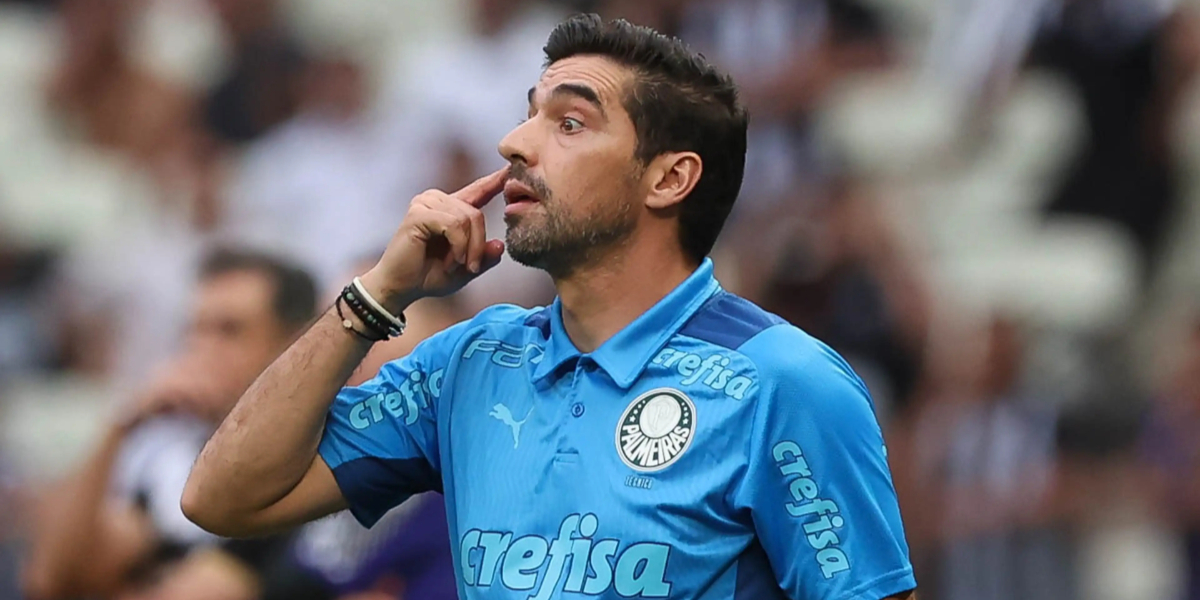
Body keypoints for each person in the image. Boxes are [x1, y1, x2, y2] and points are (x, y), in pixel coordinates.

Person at [183, 14, 917, 600]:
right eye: (529, 115)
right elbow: (223, 498)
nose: (513, 144)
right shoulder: (468, 364)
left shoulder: (783, 384)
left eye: (569, 124)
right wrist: (377, 295)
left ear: (668, 178)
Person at [22, 248, 318, 600]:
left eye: (229, 330)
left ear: (295, 343)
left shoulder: (311, 461)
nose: (200, 347)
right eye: (195, 329)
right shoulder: (173, 453)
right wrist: (122, 423)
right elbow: (53, 579)